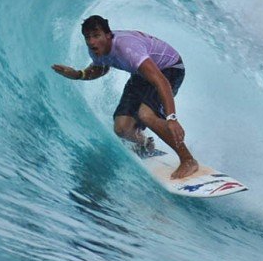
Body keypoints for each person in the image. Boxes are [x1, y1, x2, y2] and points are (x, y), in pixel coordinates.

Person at [51, 15, 199, 179]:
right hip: (141, 74)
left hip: (169, 69)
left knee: (146, 115)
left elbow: (161, 81)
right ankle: (145, 145)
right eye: (88, 37)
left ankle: (188, 160)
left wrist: (171, 118)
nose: (92, 41)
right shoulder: (96, 48)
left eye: (96, 35)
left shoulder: (127, 49)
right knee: (122, 128)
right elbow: (101, 67)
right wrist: (79, 74)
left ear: (108, 35)